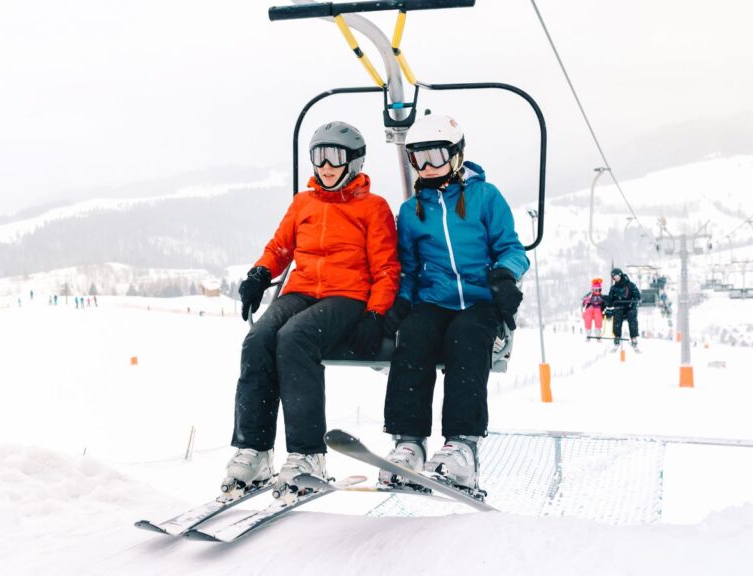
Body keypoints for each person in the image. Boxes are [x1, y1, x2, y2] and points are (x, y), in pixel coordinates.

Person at [223, 121, 400, 494]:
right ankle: (253, 449)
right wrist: (259, 273)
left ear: (354, 161)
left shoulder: (373, 208)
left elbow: (386, 268)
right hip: (302, 290)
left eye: (334, 156)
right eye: (318, 156)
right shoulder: (303, 203)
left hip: (347, 295)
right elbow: (280, 248)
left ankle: (308, 455)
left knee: (295, 338)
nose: (325, 165)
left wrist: (375, 313)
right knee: (258, 339)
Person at [379, 113, 528, 494]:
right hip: (434, 300)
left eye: (436, 156)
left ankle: (462, 445)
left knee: (466, 338)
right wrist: (400, 304)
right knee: (413, 336)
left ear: (457, 155)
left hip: (480, 300)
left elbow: (512, 248)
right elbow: (410, 271)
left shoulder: (485, 197)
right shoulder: (412, 212)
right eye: (418, 159)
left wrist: (505, 275)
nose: (428, 167)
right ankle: (408, 442)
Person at [605, 267, 640, 351]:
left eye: (616, 276)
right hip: (619, 307)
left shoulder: (630, 285)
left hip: (629, 306)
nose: (615, 278)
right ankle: (617, 337)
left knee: (632, 317)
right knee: (617, 316)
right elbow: (610, 299)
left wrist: (634, 300)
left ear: (620, 275)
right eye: (613, 277)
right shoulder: (613, 288)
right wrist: (608, 308)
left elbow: (637, 295)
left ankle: (634, 337)